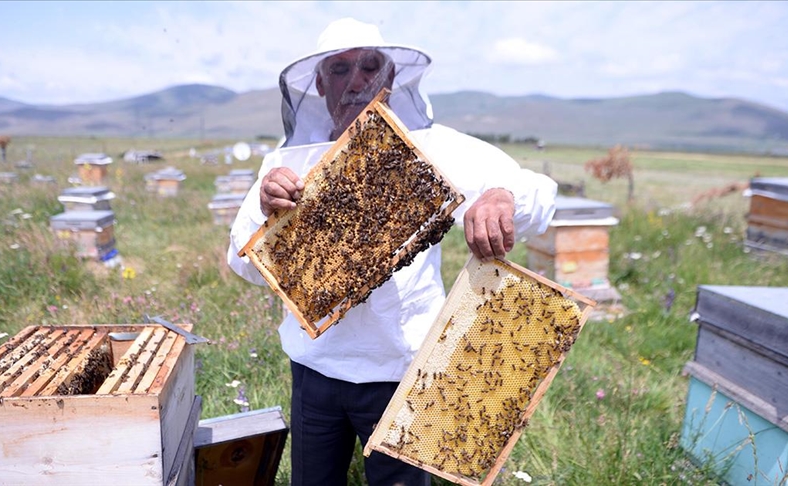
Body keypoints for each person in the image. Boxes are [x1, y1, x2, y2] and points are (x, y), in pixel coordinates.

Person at [228, 17, 557, 486]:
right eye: (339, 70)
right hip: (316, 370)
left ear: (391, 76)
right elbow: (240, 261)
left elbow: (539, 194)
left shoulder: (436, 148)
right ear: (320, 83)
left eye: (369, 66)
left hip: (402, 371)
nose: (356, 80)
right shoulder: (287, 163)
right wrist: (268, 215)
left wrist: (503, 197)